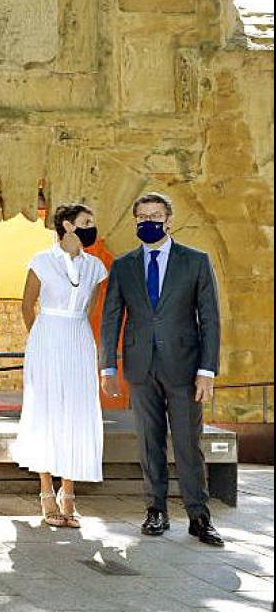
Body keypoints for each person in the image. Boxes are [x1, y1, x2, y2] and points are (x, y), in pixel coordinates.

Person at [100, 192, 224, 546]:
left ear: (169, 220)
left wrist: (207, 370)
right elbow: (111, 318)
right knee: (149, 443)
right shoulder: (124, 265)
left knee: (188, 443)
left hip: (185, 368)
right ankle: (155, 511)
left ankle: (199, 516)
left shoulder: (196, 261)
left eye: (155, 216)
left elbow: (210, 319)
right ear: (135, 222)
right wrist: (108, 366)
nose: (148, 222)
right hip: (140, 368)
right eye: (141, 217)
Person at [10, 203, 107, 528]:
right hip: (47, 337)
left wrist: (74, 331)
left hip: (79, 339)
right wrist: (40, 339)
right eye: (85, 222)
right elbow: (27, 305)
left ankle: (69, 492)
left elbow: (91, 307)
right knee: (47, 410)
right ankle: (45, 490)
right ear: (67, 225)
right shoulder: (41, 261)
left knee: (77, 412)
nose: (91, 227)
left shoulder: (95, 267)